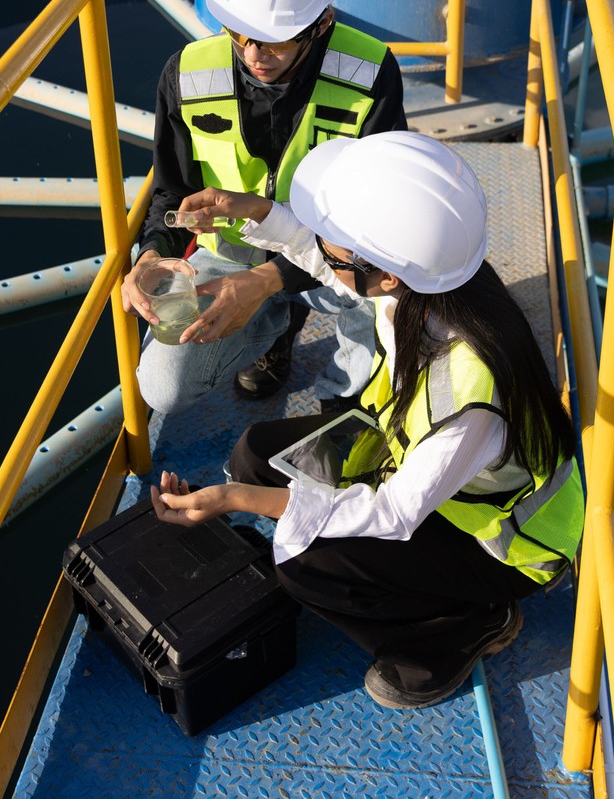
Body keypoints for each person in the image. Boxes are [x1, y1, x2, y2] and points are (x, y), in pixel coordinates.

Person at [146, 132, 585, 709]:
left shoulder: (471, 397)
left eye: (338, 247)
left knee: (305, 564)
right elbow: (333, 266)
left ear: (387, 273)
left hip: (495, 548)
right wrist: (253, 212)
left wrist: (235, 500)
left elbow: (391, 513)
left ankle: (461, 626)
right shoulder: (430, 287)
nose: (325, 252)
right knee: (257, 455)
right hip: (426, 473)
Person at [120, 0, 407, 410]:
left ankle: (347, 403)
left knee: (395, 300)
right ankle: (274, 329)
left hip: (340, 257)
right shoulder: (185, 75)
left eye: (276, 38)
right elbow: (171, 188)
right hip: (236, 249)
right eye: (238, 31)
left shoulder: (370, 73)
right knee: (163, 388)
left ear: (322, 23)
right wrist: (150, 254)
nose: (254, 53)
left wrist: (268, 280)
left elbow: (385, 224)